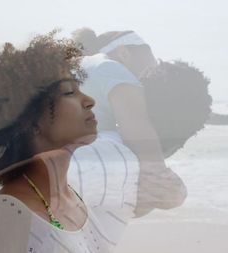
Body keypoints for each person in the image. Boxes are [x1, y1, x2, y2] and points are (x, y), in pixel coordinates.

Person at [0, 31, 121, 252]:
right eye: (69, 92)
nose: (89, 101)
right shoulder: (7, 210)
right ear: (29, 119)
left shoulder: (71, 194)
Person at [71, 28, 187, 216]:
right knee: (119, 141)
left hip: (42, 169)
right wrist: (169, 187)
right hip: (71, 173)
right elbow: (138, 131)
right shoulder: (112, 69)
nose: (153, 72)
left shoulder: (78, 68)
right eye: (152, 63)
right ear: (124, 53)